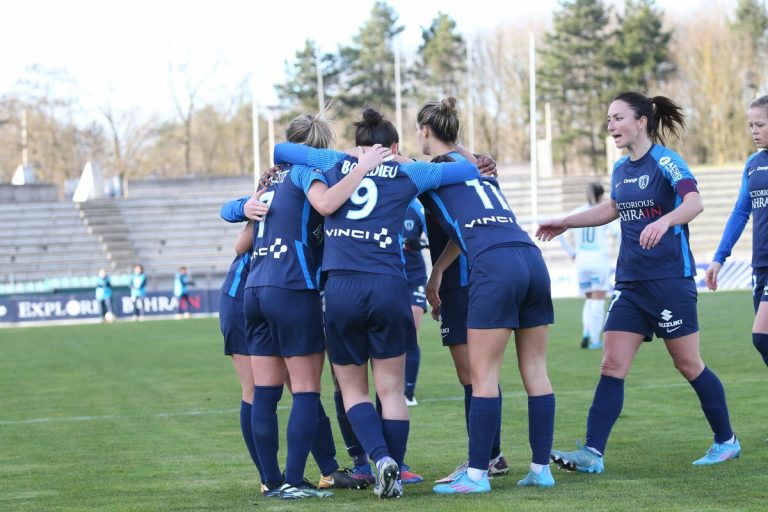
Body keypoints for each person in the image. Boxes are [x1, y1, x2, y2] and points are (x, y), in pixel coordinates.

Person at [273, 107, 480, 499]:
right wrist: (402, 160)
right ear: (393, 145)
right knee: (392, 390)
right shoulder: (409, 171)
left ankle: (379, 458)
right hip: (389, 286)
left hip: (342, 287)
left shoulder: (336, 162)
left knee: (353, 391)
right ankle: (395, 472)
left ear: (358, 145)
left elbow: (281, 151)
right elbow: (468, 170)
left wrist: (352, 160)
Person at [537, 92, 740, 473]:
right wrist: (566, 220)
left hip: (669, 280)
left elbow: (694, 203)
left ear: (642, 121)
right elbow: (612, 207)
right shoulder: (620, 169)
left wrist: (665, 220)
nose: (611, 125)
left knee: (688, 363)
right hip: (630, 284)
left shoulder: (665, 160)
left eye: (618, 118)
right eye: (608, 119)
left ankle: (726, 440)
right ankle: (592, 454)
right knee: (611, 364)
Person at [223, 112, 393, 499]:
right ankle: (295, 480)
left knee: (265, 393)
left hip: (255, 290)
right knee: (305, 391)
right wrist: (362, 167)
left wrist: (238, 208)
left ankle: (271, 481)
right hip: (292, 287)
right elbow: (328, 202)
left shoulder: (268, 184)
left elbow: (240, 245)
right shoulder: (304, 173)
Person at [412, 98, 555, 494]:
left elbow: (398, 176)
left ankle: (477, 474)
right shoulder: (480, 172)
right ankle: (541, 469)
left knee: (483, 376)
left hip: (494, 266)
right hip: (531, 258)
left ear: (425, 131)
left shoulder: (430, 172)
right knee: (536, 372)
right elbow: (469, 226)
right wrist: (438, 269)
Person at [414, 98, 509, 485]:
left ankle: (482, 460)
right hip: (481, 275)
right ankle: (492, 455)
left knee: (472, 375)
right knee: (480, 374)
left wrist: (436, 273)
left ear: (424, 131)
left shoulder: (435, 172)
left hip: (464, 279)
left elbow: (460, 233)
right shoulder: (472, 168)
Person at [706, 95, 768, 370]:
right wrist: (719, 258)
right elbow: (741, 213)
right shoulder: (753, 164)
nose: (754, 131)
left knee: (761, 336)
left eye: (760, 125)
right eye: (751, 125)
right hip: (760, 265)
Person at [558, 182, 620, 349]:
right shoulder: (604, 212)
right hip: (599, 259)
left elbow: (560, 233)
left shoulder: (577, 212)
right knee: (598, 300)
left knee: (589, 299)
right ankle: (594, 340)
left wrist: (571, 252)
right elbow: (618, 233)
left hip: (582, 261)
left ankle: (586, 331)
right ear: (601, 196)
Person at [402, 198, 428, 407]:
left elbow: (435, 237)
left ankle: (408, 391)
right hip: (389, 276)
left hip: (414, 277)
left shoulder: (416, 207)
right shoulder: (383, 198)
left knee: (411, 330)